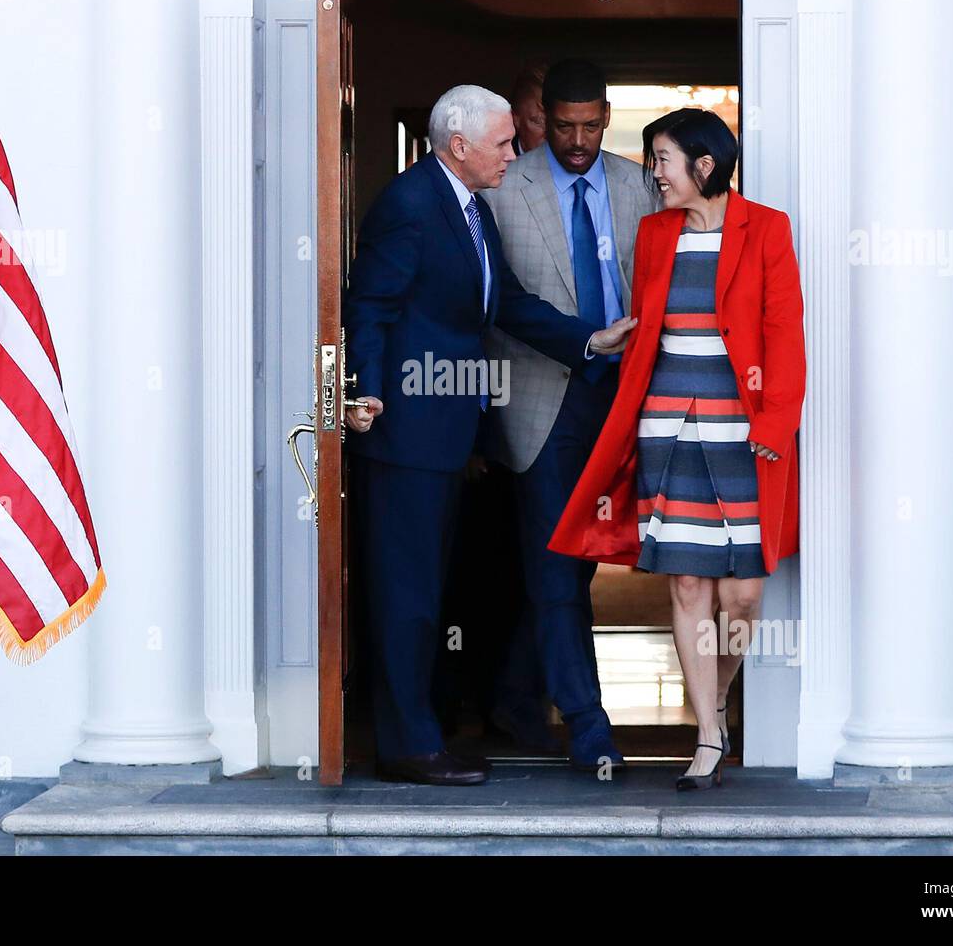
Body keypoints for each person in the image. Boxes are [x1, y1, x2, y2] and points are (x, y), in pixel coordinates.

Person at [343, 84, 635, 786]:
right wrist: (366, 389)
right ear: (459, 144)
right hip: (405, 432)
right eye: (505, 142)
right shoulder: (411, 204)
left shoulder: (468, 205)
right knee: (406, 590)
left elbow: (502, 302)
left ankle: (420, 733)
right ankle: (407, 745)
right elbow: (371, 304)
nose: (516, 151)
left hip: (448, 431)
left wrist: (588, 340)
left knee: (430, 587)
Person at [547, 107, 806, 790]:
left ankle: (715, 700)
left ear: (704, 165)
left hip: (744, 433)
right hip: (669, 425)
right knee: (689, 583)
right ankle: (709, 734)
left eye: (661, 159)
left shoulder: (767, 229)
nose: (652, 173)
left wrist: (776, 425)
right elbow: (652, 324)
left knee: (743, 593)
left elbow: (784, 332)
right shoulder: (655, 233)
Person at [481, 59, 662, 771]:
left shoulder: (637, 184)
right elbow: (494, 303)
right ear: (543, 118)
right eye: (564, 127)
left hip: (625, 398)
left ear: (607, 115)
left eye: (591, 126)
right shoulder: (506, 186)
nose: (578, 140)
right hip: (541, 398)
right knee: (556, 564)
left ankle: (515, 693)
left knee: (583, 562)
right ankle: (588, 722)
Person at [509, 64, 547, 155]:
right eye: (539, 122)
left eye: (559, 123)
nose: (551, 134)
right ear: (515, 120)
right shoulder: (499, 164)